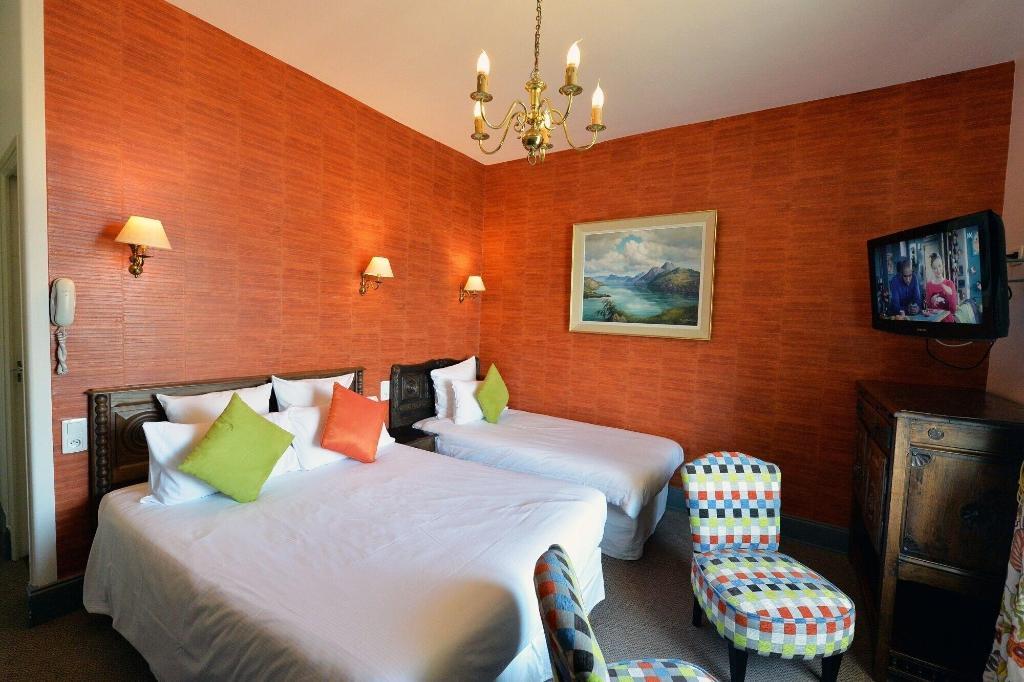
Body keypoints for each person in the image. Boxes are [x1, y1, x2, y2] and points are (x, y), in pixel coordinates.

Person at [925, 252, 957, 323]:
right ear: (932, 269)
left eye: (939, 266)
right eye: (935, 268)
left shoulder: (950, 284)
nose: (938, 270)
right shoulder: (929, 286)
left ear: (943, 266)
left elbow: (953, 310)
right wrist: (932, 301)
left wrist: (950, 295)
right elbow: (929, 308)